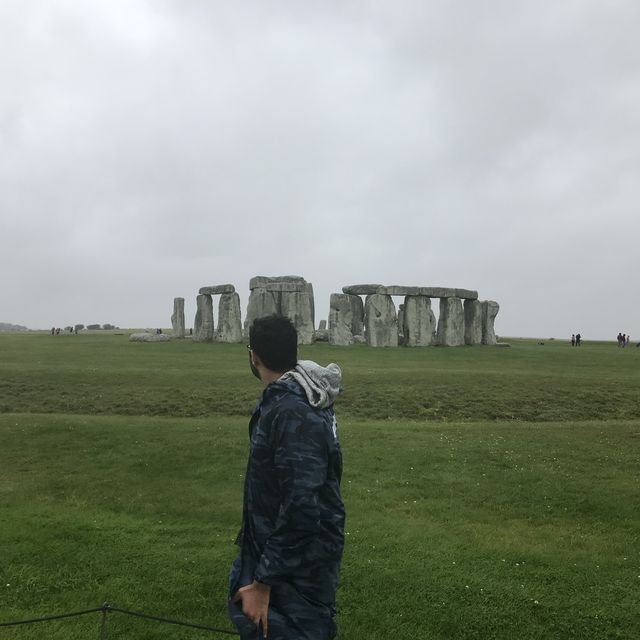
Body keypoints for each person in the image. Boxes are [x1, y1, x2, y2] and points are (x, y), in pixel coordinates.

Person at [228, 315, 345, 640]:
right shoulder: (290, 401)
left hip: (296, 572)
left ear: (254, 356)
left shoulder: (292, 412)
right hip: (283, 556)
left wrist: (264, 581)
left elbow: (302, 509)